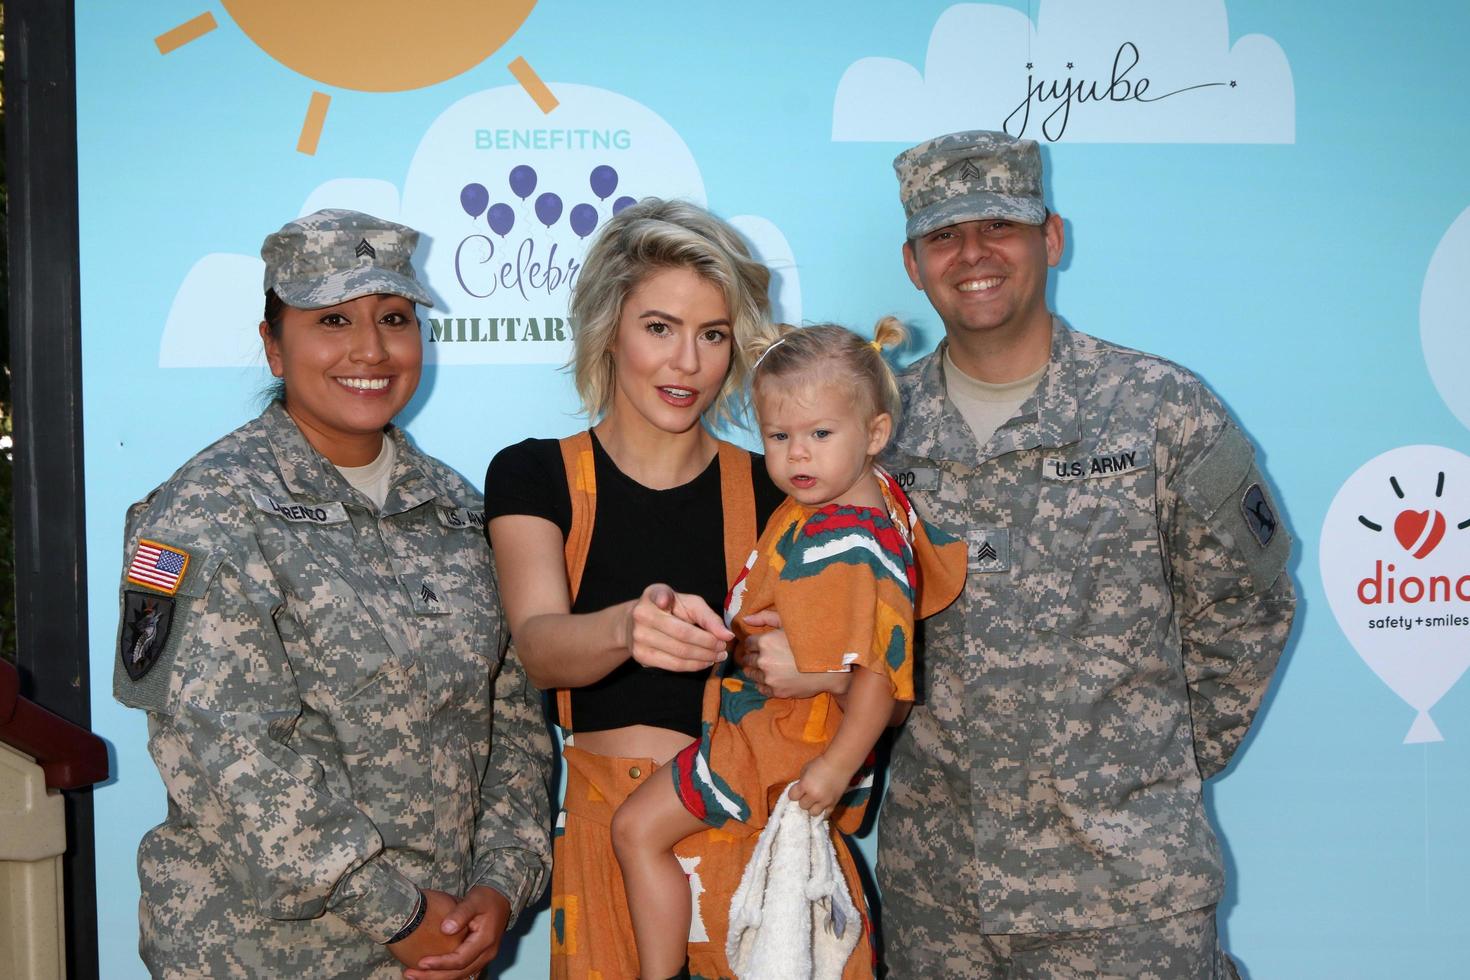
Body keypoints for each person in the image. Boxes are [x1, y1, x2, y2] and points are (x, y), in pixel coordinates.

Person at [868, 130, 1297, 976]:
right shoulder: (873, 435)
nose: (974, 255)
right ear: (914, 264)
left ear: (1051, 238)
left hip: (1130, 899)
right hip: (942, 903)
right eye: (944, 236)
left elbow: (1250, 605)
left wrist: (1146, 764)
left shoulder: (1159, 410)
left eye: (1000, 226)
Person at [112, 209, 552, 979]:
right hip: (263, 954)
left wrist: (500, 884)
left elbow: (511, 716)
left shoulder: (456, 509)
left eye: (394, 318)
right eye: (332, 321)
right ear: (274, 345)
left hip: (440, 947)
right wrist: (401, 915)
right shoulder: (203, 511)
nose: (371, 349)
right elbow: (223, 751)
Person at [484, 198, 877, 978]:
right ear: (609, 328)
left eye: (713, 335)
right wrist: (627, 627)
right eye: (659, 328)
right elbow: (539, 647)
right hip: (611, 838)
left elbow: (877, 671)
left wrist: (814, 673)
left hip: (761, 834)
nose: (687, 364)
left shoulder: (785, 490)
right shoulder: (535, 473)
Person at [610, 319, 967, 979]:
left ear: (876, 434)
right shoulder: (820, 510)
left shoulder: (868, 543)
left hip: (776, 756)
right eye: (779, 437)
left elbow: (883, 678)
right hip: (757, 739)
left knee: (638, 831)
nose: (797, 456)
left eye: (819, 435)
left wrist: (833, 769)